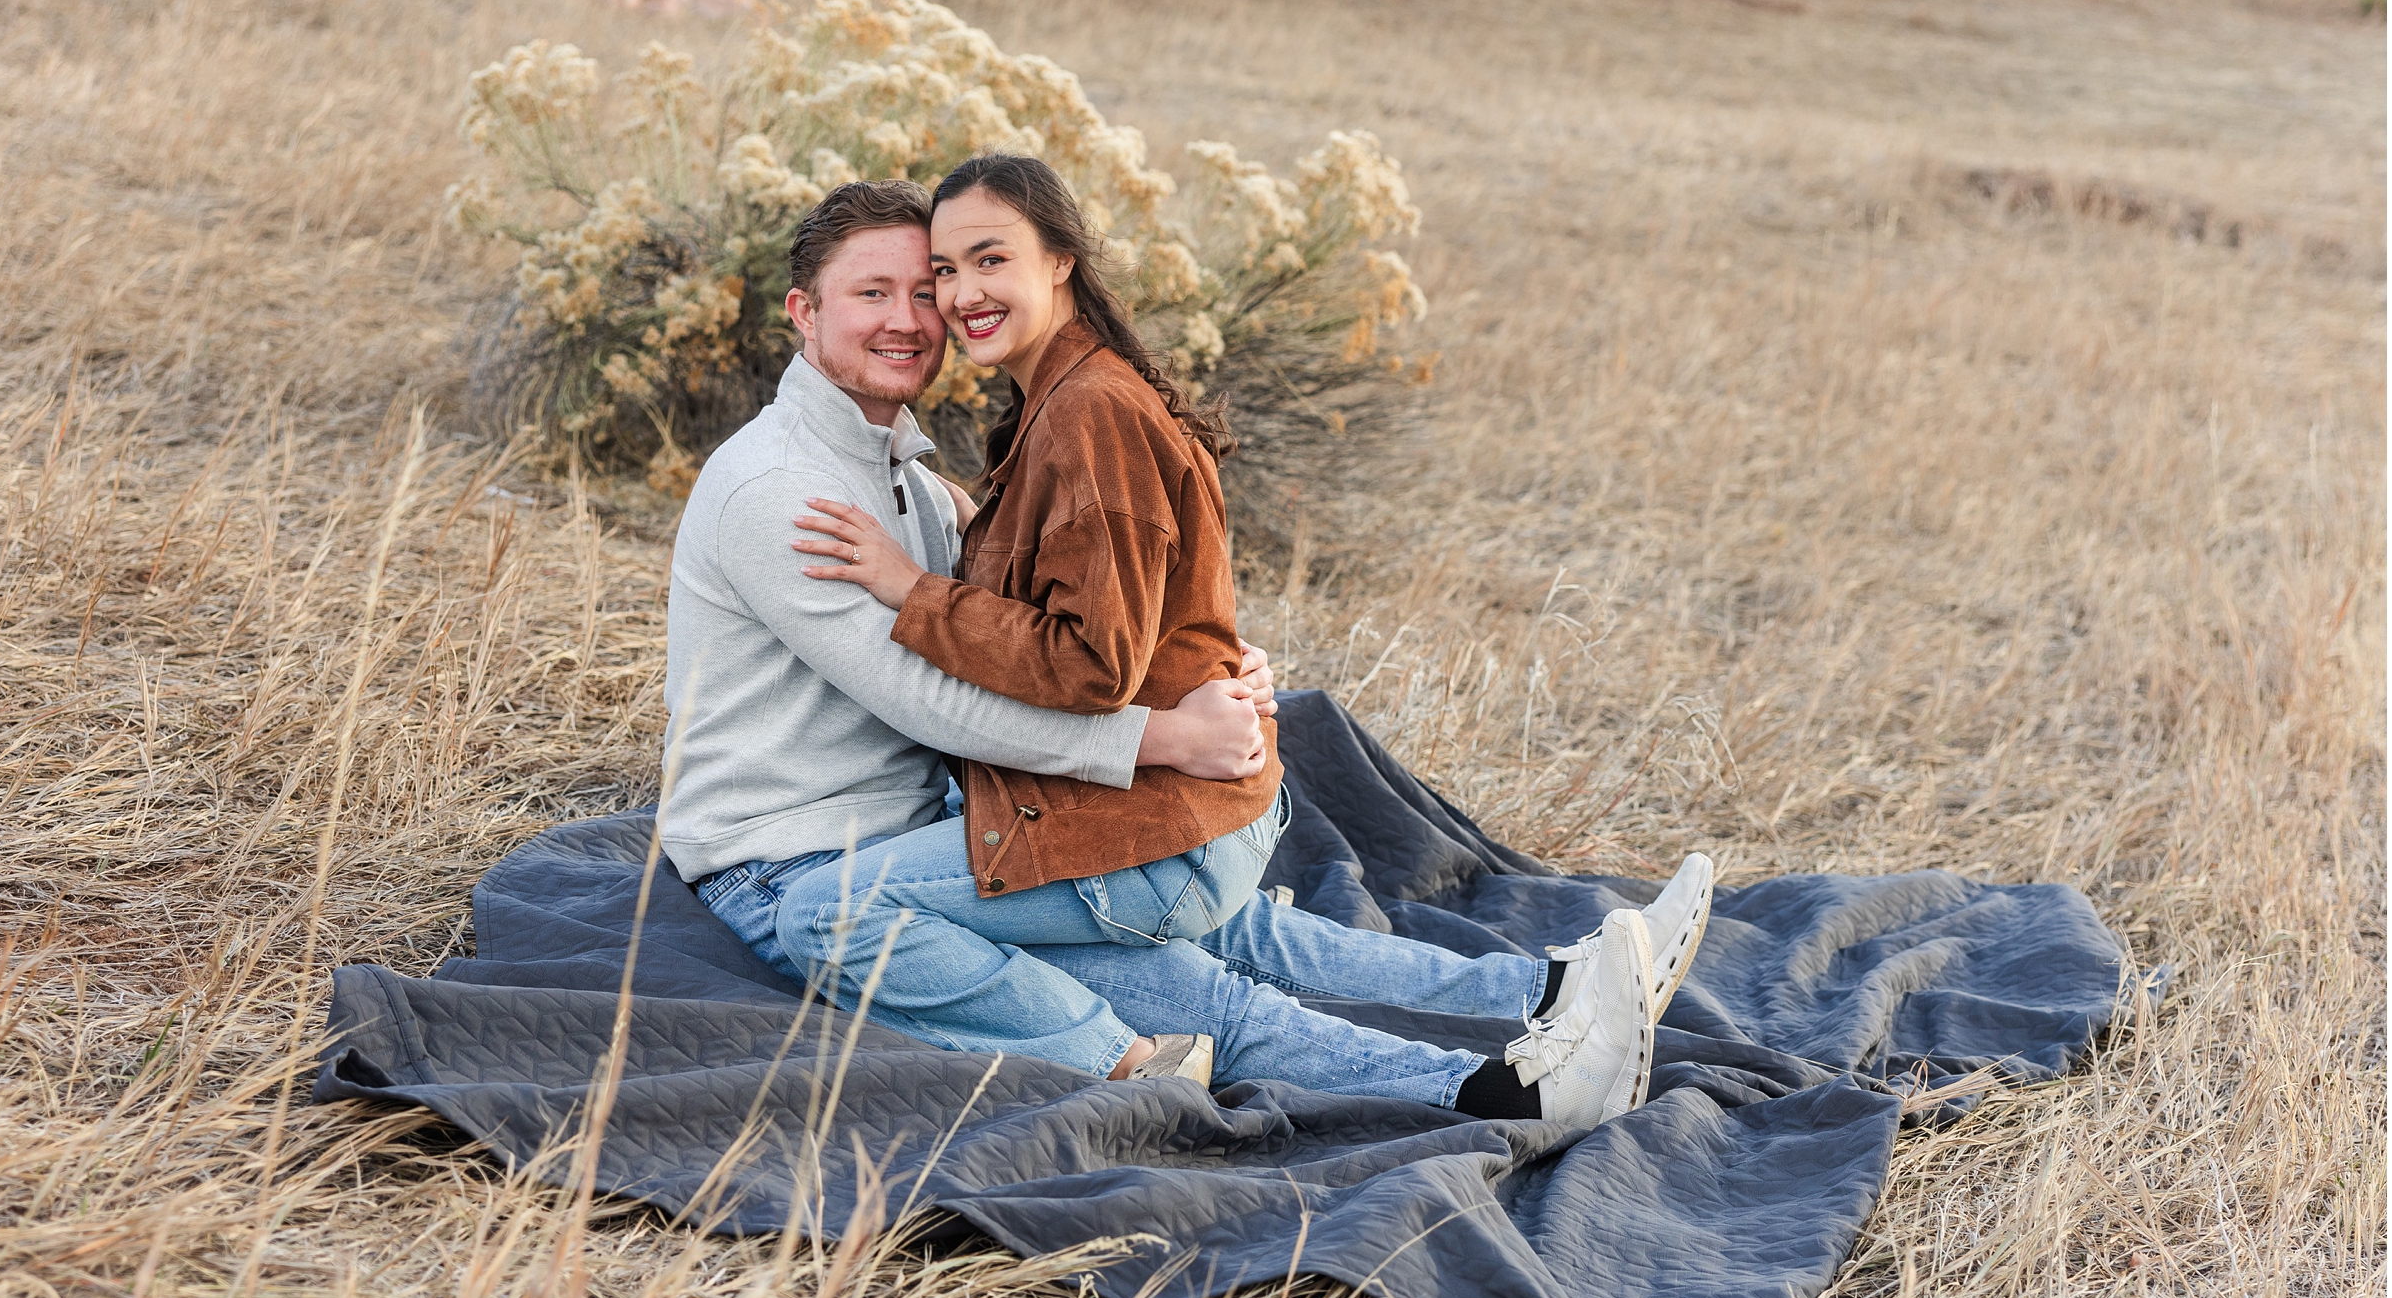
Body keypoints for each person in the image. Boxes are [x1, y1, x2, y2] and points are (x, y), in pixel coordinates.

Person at [661, 173, 1710, 1127]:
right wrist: (1159, 735)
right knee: (1188, 982)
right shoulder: (779, 494)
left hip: (929, 826)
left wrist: (1215, 664)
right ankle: (1131, 1068)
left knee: (1222, 950)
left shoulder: (916, 474)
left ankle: (1529, 1041)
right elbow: (925, 699)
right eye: (872, 293)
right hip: (791, 860)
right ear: (802, 313)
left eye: (925, 287)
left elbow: (1062, 596)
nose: (911, 317)